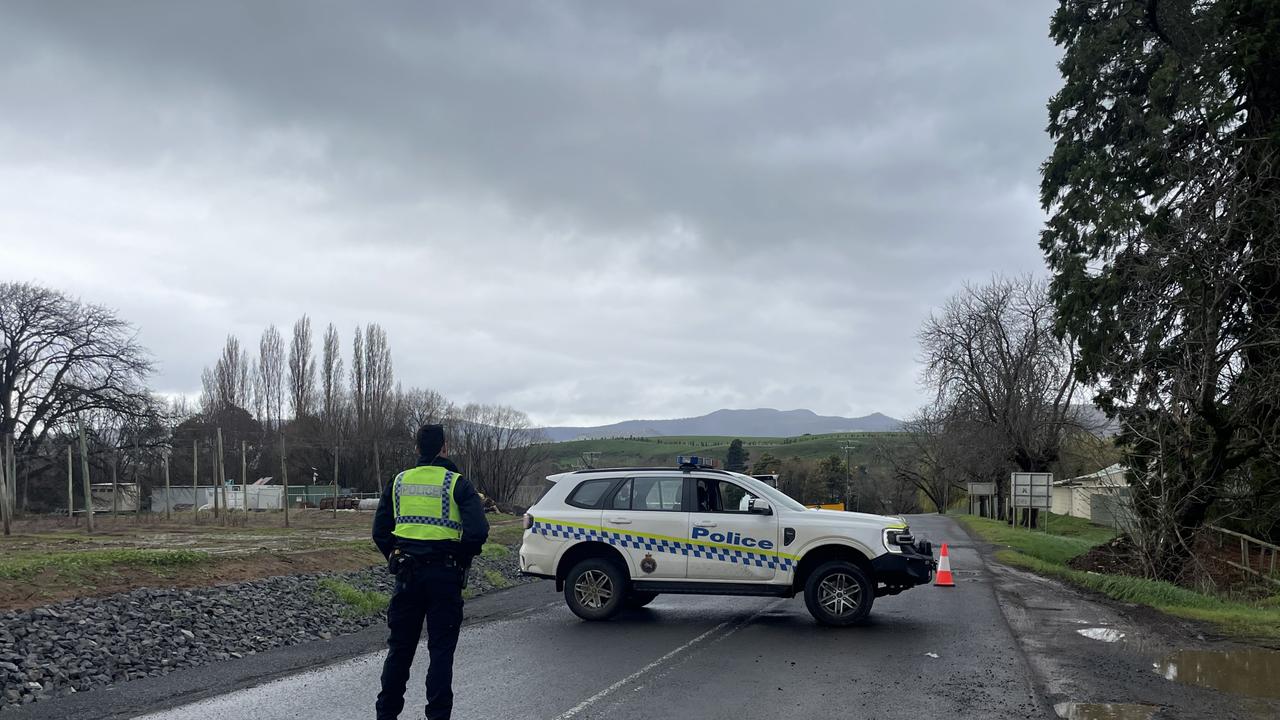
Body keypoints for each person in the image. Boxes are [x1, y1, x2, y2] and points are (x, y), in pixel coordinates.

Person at [373, 424, 489, 720]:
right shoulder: (458, 484)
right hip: (445, 576)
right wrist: (460, 558)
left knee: (399, 650)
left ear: (417, 449)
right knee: (440, 653)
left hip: (407, 576)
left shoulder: (398, 482)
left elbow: (380, 532)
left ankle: (386, 715)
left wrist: (395, 556)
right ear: (445, 448)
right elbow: (478, 532)